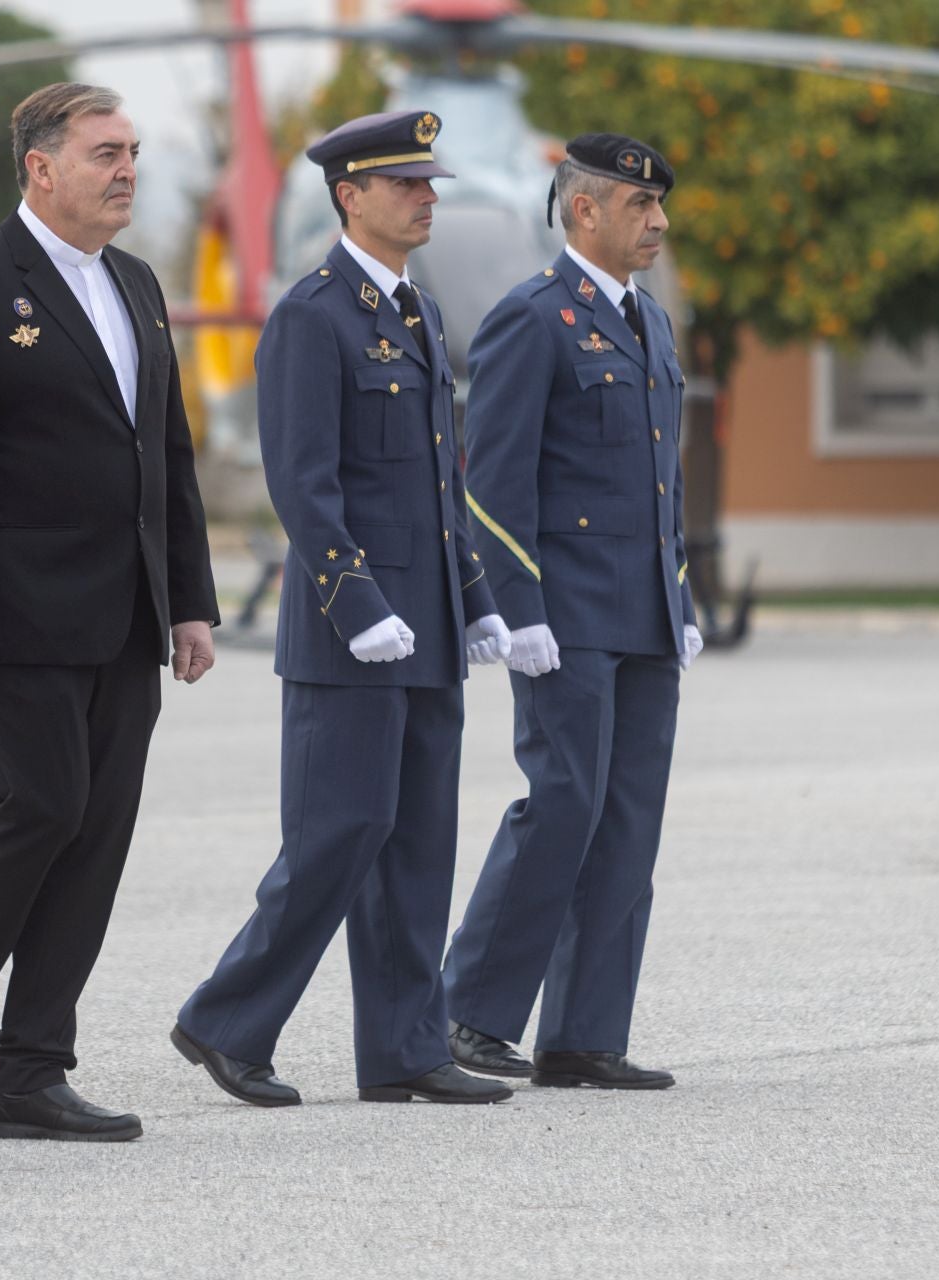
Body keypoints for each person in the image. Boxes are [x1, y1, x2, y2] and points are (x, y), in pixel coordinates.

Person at [0, 82, 219, 1145]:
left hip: (126, 611)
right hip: (15, 610)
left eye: (132, 152)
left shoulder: (137, 283)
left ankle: (31, 1068)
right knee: (42, 805)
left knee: (97, 833)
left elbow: (165, 455)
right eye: (104, 152)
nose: (126, 169)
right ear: (40, 168)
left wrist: (192, 603)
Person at [170, 110, 515, 1109]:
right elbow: (304, 482)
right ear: (350, 195)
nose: (427, 196)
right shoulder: (312, 315)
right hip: (353, 629)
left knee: (418, 839)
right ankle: (225, 1018)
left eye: (429, 182)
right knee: (340, 831)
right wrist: (354, 600)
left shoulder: (417, 313)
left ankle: (404, 1046)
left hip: (429, 624)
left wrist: (477, 596)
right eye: (406, 183)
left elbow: (443, 484)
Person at [442, 133, 702, 1091]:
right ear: (584, 210)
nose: (660, 222)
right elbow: (493, 481)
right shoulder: (533, 318)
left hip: (643, 615)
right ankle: (470, 1012)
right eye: (641, 205)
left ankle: (586, 1034)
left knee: (630, 821)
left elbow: (659, 483)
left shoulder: (653, 326)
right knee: (564, 806)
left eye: (659, 205)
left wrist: (681, 594)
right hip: (568, 618)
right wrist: (519, 609)